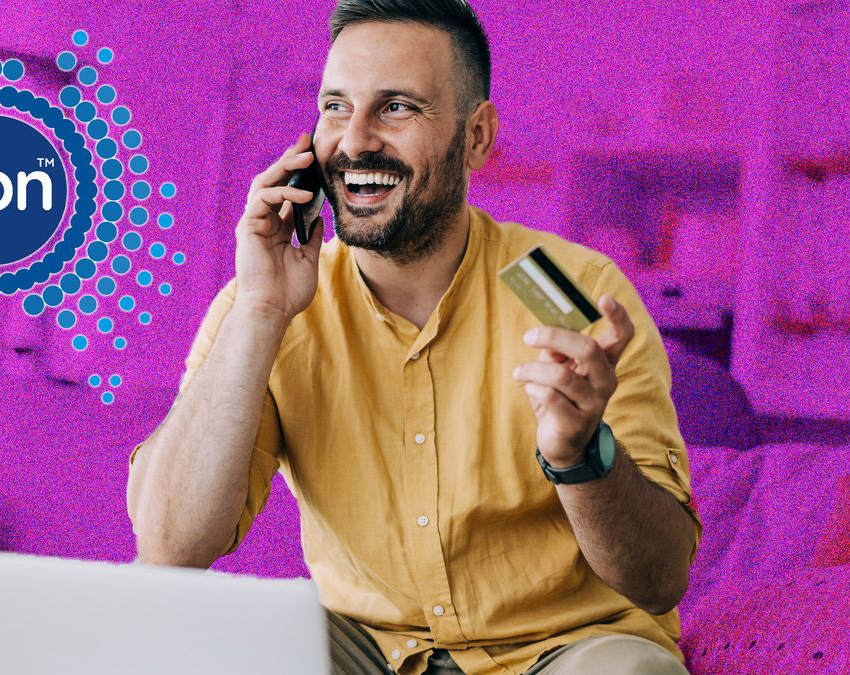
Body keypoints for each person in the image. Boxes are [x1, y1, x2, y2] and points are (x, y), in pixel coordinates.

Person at [126, 1, 701, 673]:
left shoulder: (570, 286)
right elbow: (168, 551)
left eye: (397, 107)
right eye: (337, 107)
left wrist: (581, 456)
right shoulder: (267, 302)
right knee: (181, 630)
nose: (357, 140)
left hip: (563, 648)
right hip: (368, 652)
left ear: (477, 137)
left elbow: (660, 576)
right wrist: (257, 308)